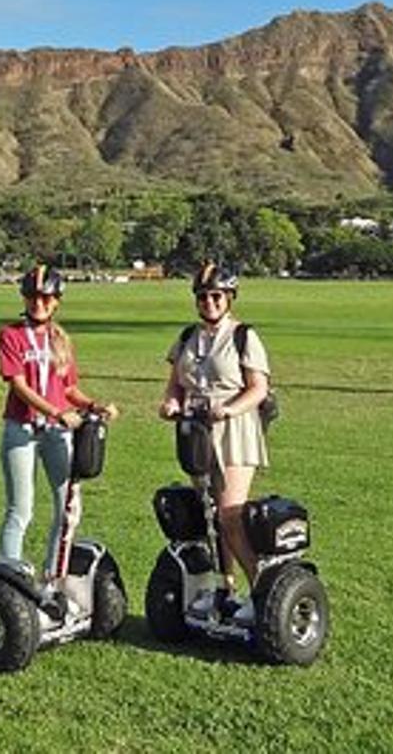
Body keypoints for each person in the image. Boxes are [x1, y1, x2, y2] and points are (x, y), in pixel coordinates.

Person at [158, 260, 271, 610]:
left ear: (230, 298)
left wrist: (230, 409)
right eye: (203, 297)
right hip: (195, 430)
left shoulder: (243, 336)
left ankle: (262, 590)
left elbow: (258, 389)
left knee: (230, 513)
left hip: (233, 429)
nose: (209, 302)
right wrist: (170, 405)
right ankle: (225, 587)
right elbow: (175, 384)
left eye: (217, 296)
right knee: (209, 514)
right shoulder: (187, 338)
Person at [0, 264, 118, 580]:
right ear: (24, 299)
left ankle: (54, 578)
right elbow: (18, 386)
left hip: (56, 432)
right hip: (21, 430)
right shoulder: (11, 335)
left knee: (67, 508)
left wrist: (93, 405)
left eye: (46, 299)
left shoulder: (60, 339)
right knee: (20, 510)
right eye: (33, 297)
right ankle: (12, 581)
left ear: (57, 301)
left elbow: (69, 388)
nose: (39, 304)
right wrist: (55, 411)